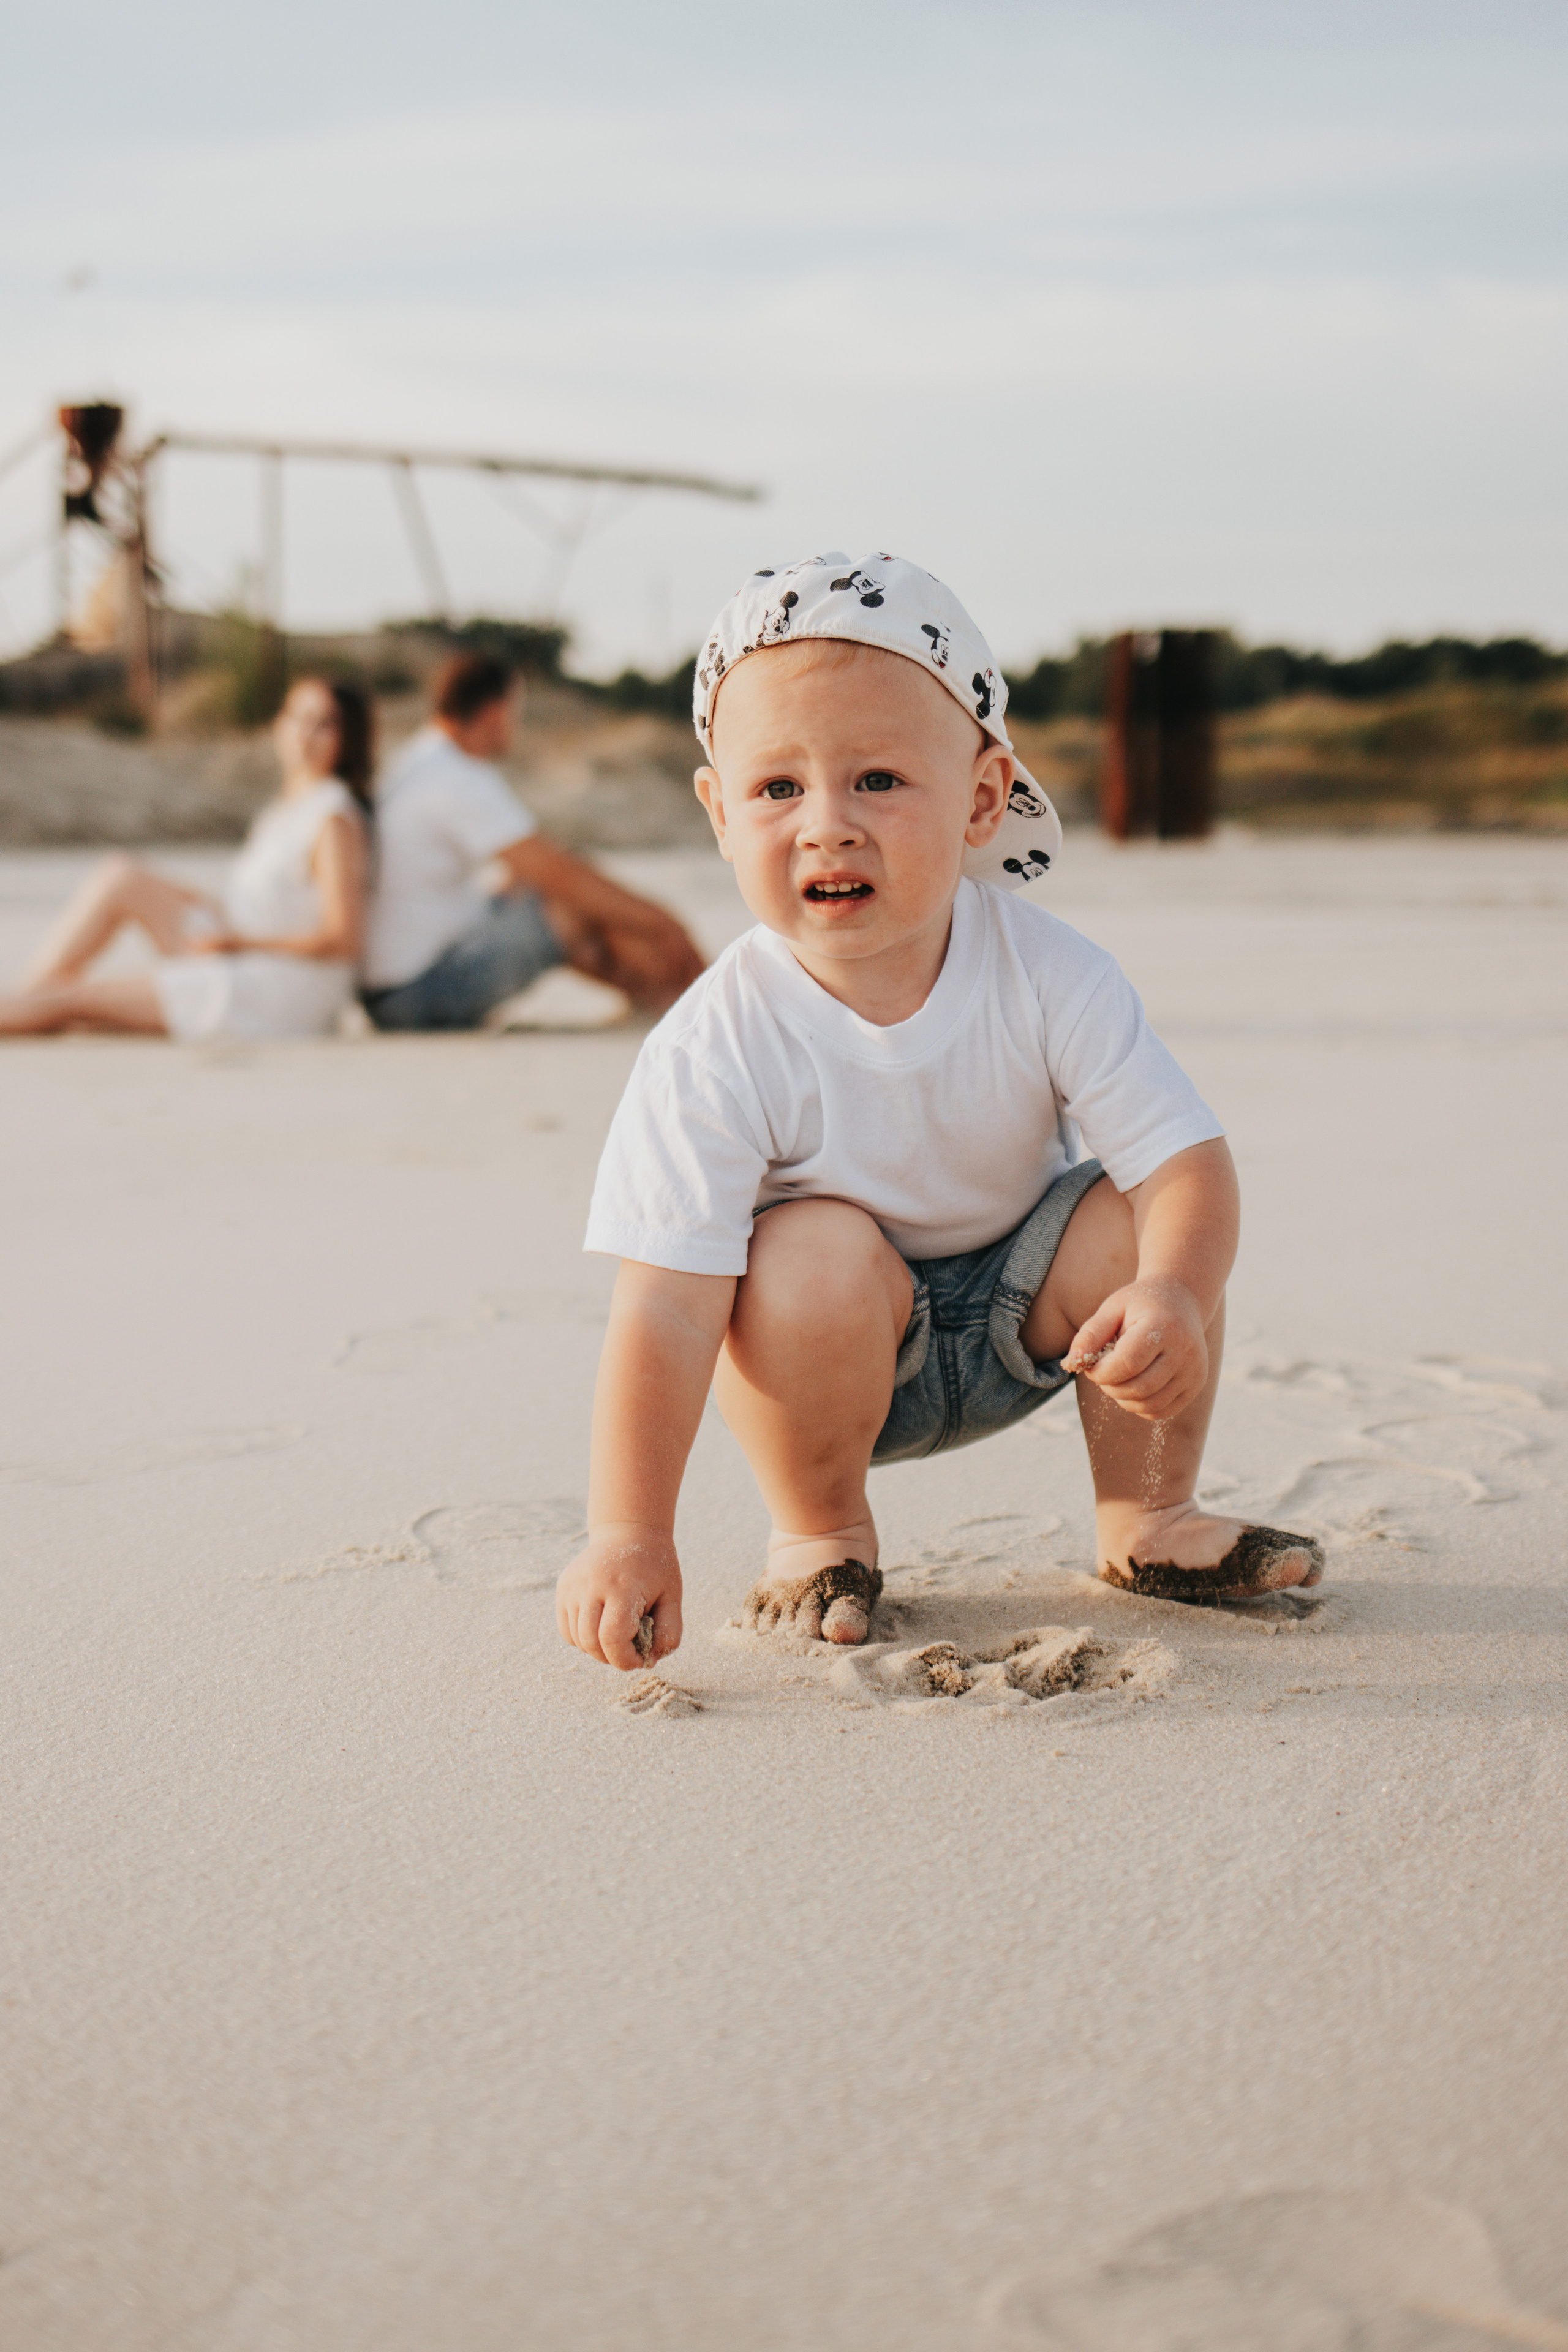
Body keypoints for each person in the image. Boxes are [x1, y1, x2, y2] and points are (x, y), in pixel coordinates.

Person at [556, 552, 1325, 1672]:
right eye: (778, 789)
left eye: (877, 780)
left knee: (1129, 1216)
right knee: (804, 1247)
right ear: (719, 812)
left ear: (979, 795)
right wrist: (626, 1532)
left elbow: (1184, 1163)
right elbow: (667, 1313)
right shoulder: (714, 1040)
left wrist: (1173, 1290)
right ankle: (820, 1537)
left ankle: (1149, 1517)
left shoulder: (1047, 970)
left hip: (1039, 1331)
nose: (827, 825)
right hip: (835, 1355)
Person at [0, 676, 371, 1041]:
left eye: (324, 725)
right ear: (279, 725)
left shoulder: (333, 818)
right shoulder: (285, 810)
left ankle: (28, 1006)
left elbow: (342, 940)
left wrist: (237, 942)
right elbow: (273, 907)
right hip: (239, 951)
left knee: (76, 1000)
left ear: (347, 740)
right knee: (122, 874)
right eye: (298, 717)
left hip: (276, 989)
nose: (305, 734)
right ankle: (29, 1001)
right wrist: (203, 904)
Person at [360, 653, 704, 1029]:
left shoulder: (421, 760)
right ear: (495, 713)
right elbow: (565, 877)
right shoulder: (456, 777)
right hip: (414, 996)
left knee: (543, 888)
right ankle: (672, 998)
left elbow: (540, 866)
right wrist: (665, 925)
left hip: (393, 986)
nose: (514, 726)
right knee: (567, 907)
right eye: (515, 714)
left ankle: (659, 997)